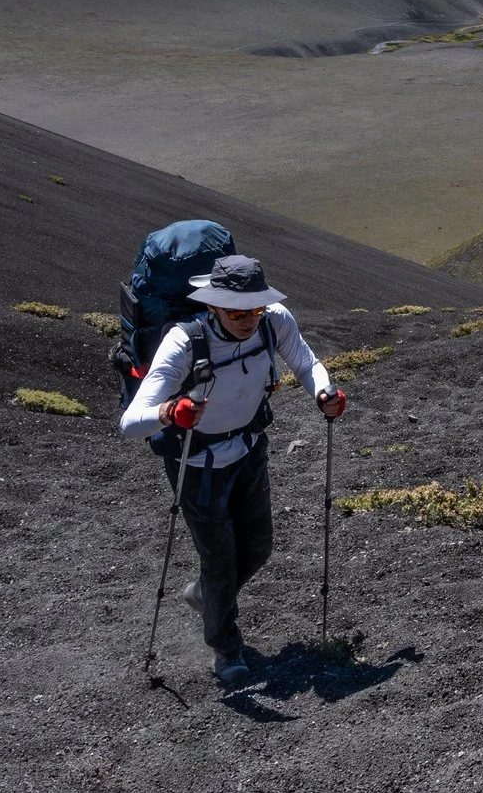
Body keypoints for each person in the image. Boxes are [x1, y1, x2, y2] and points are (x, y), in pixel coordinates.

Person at [119, 254, 345, 684]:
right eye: (238, 311)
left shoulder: (272, 321)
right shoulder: (185, 343)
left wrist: (324, 392)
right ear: (212, 305)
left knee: (258, 547)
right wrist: (171, 411)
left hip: (248, 449)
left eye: (254, 308)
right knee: (221, 561)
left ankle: (205, 595)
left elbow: (305, 362)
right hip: (198, 464)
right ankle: (226, 649)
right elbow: (131, 422)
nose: (247, 319)